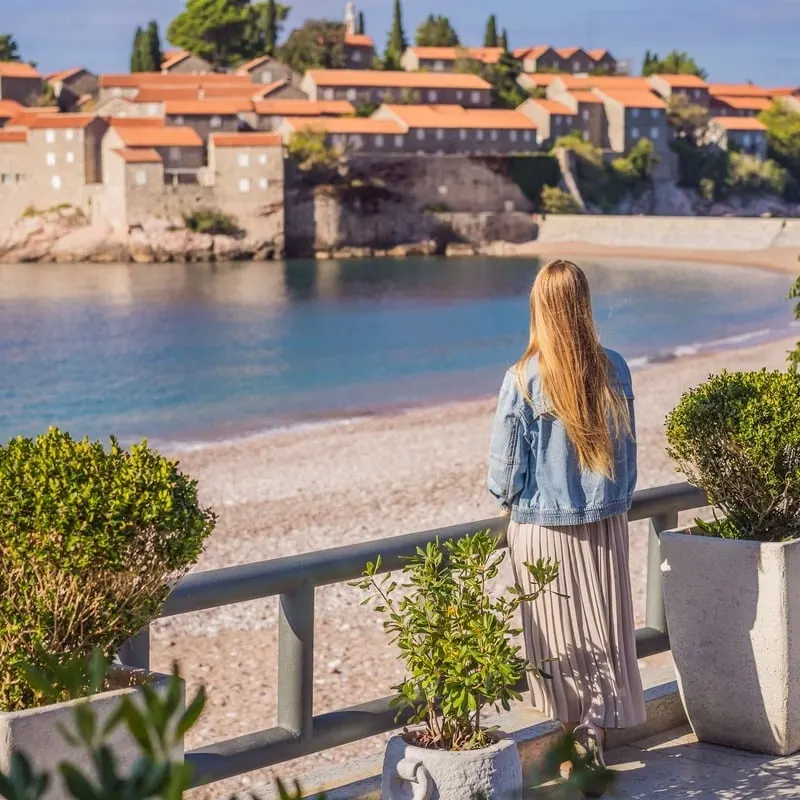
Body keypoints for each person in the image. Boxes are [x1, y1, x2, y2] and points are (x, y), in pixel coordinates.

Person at [487, 259, 646, 796]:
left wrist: (506, 500)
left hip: (542, 531)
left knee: (557, 640)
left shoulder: (522, 378)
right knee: (600, 629)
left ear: (540, 307)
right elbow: (627, 457)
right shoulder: (616, 368)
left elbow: (505, 476)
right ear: (583, 305)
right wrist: (611, 500)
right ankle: (593, 734)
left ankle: (565, 739)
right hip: (605, 524)